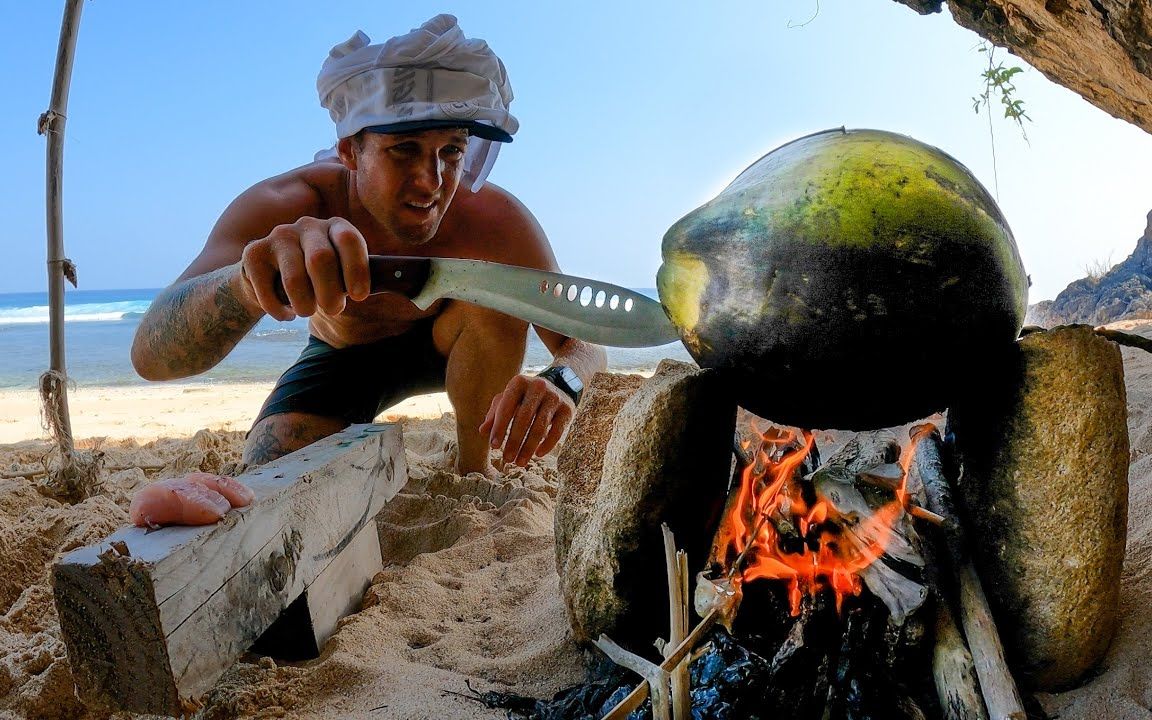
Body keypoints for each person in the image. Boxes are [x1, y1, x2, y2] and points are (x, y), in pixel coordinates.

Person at [130, 14, 606, 480]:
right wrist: (247, 285)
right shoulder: (288, 207)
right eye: (404, 149)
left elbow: (582, 343)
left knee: (496, 292)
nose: (432, 181)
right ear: (348, 150)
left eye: (451, 152)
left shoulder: (496, 222)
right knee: (273, 467)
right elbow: (150, 357)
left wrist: (564, 379)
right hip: (343, 356)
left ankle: (472, 471)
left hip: (458, 344)